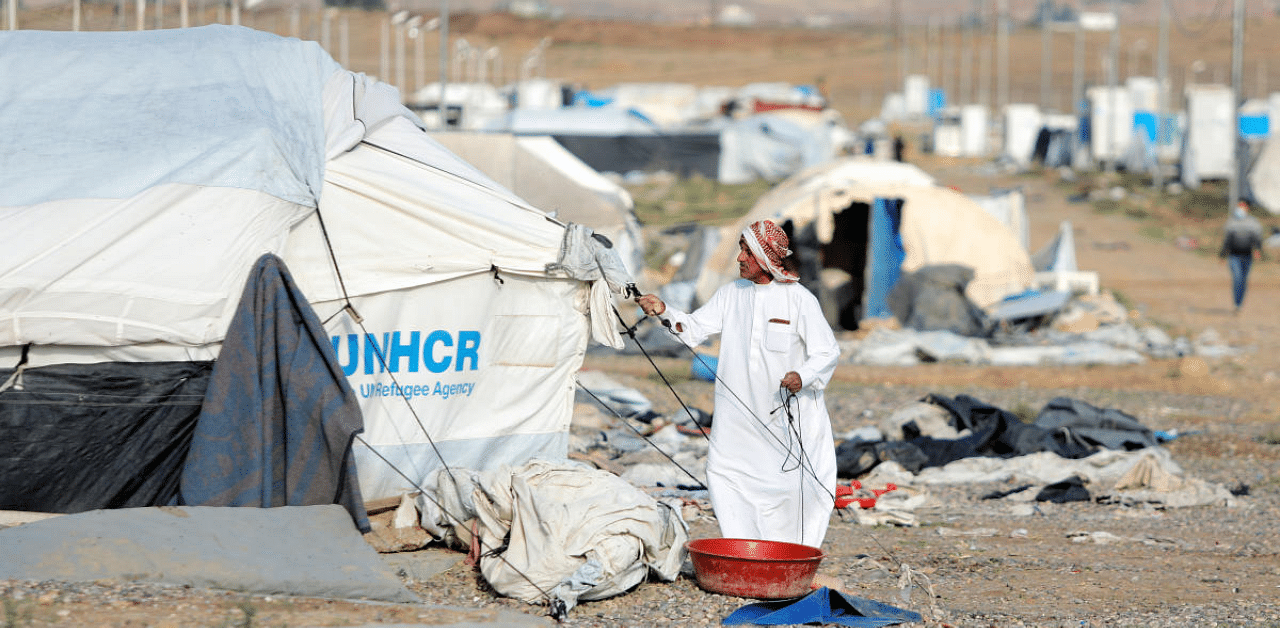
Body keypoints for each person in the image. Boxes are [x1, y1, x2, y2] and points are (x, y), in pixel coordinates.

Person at [635, 220, 840, 548]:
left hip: (786, 416)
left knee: (794, 486)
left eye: (747, 251)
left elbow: (827, 352)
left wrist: (803, 376)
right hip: (738, 419)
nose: (740, 258)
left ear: (766, 256)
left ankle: (791, 553)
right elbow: (694, 328)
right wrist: (663, 311)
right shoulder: (731, 294)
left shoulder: (800, 300)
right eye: (741, 249)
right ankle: (745, 549)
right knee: (727, 476)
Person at [1218, 200, 1266, 314]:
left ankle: (1239, 303)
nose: (1240, 208)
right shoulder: (1231, 222)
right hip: (1234, 255)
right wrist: (1222, 255)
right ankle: (1236, 304)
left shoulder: (1253, 222)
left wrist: (1258, 250)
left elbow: (1257, 238)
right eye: (1239, 205)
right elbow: (1227, 240)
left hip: (1247, 255)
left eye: (1242, 206)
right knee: (1237, 278)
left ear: (1247, 208)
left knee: (1244, 280)